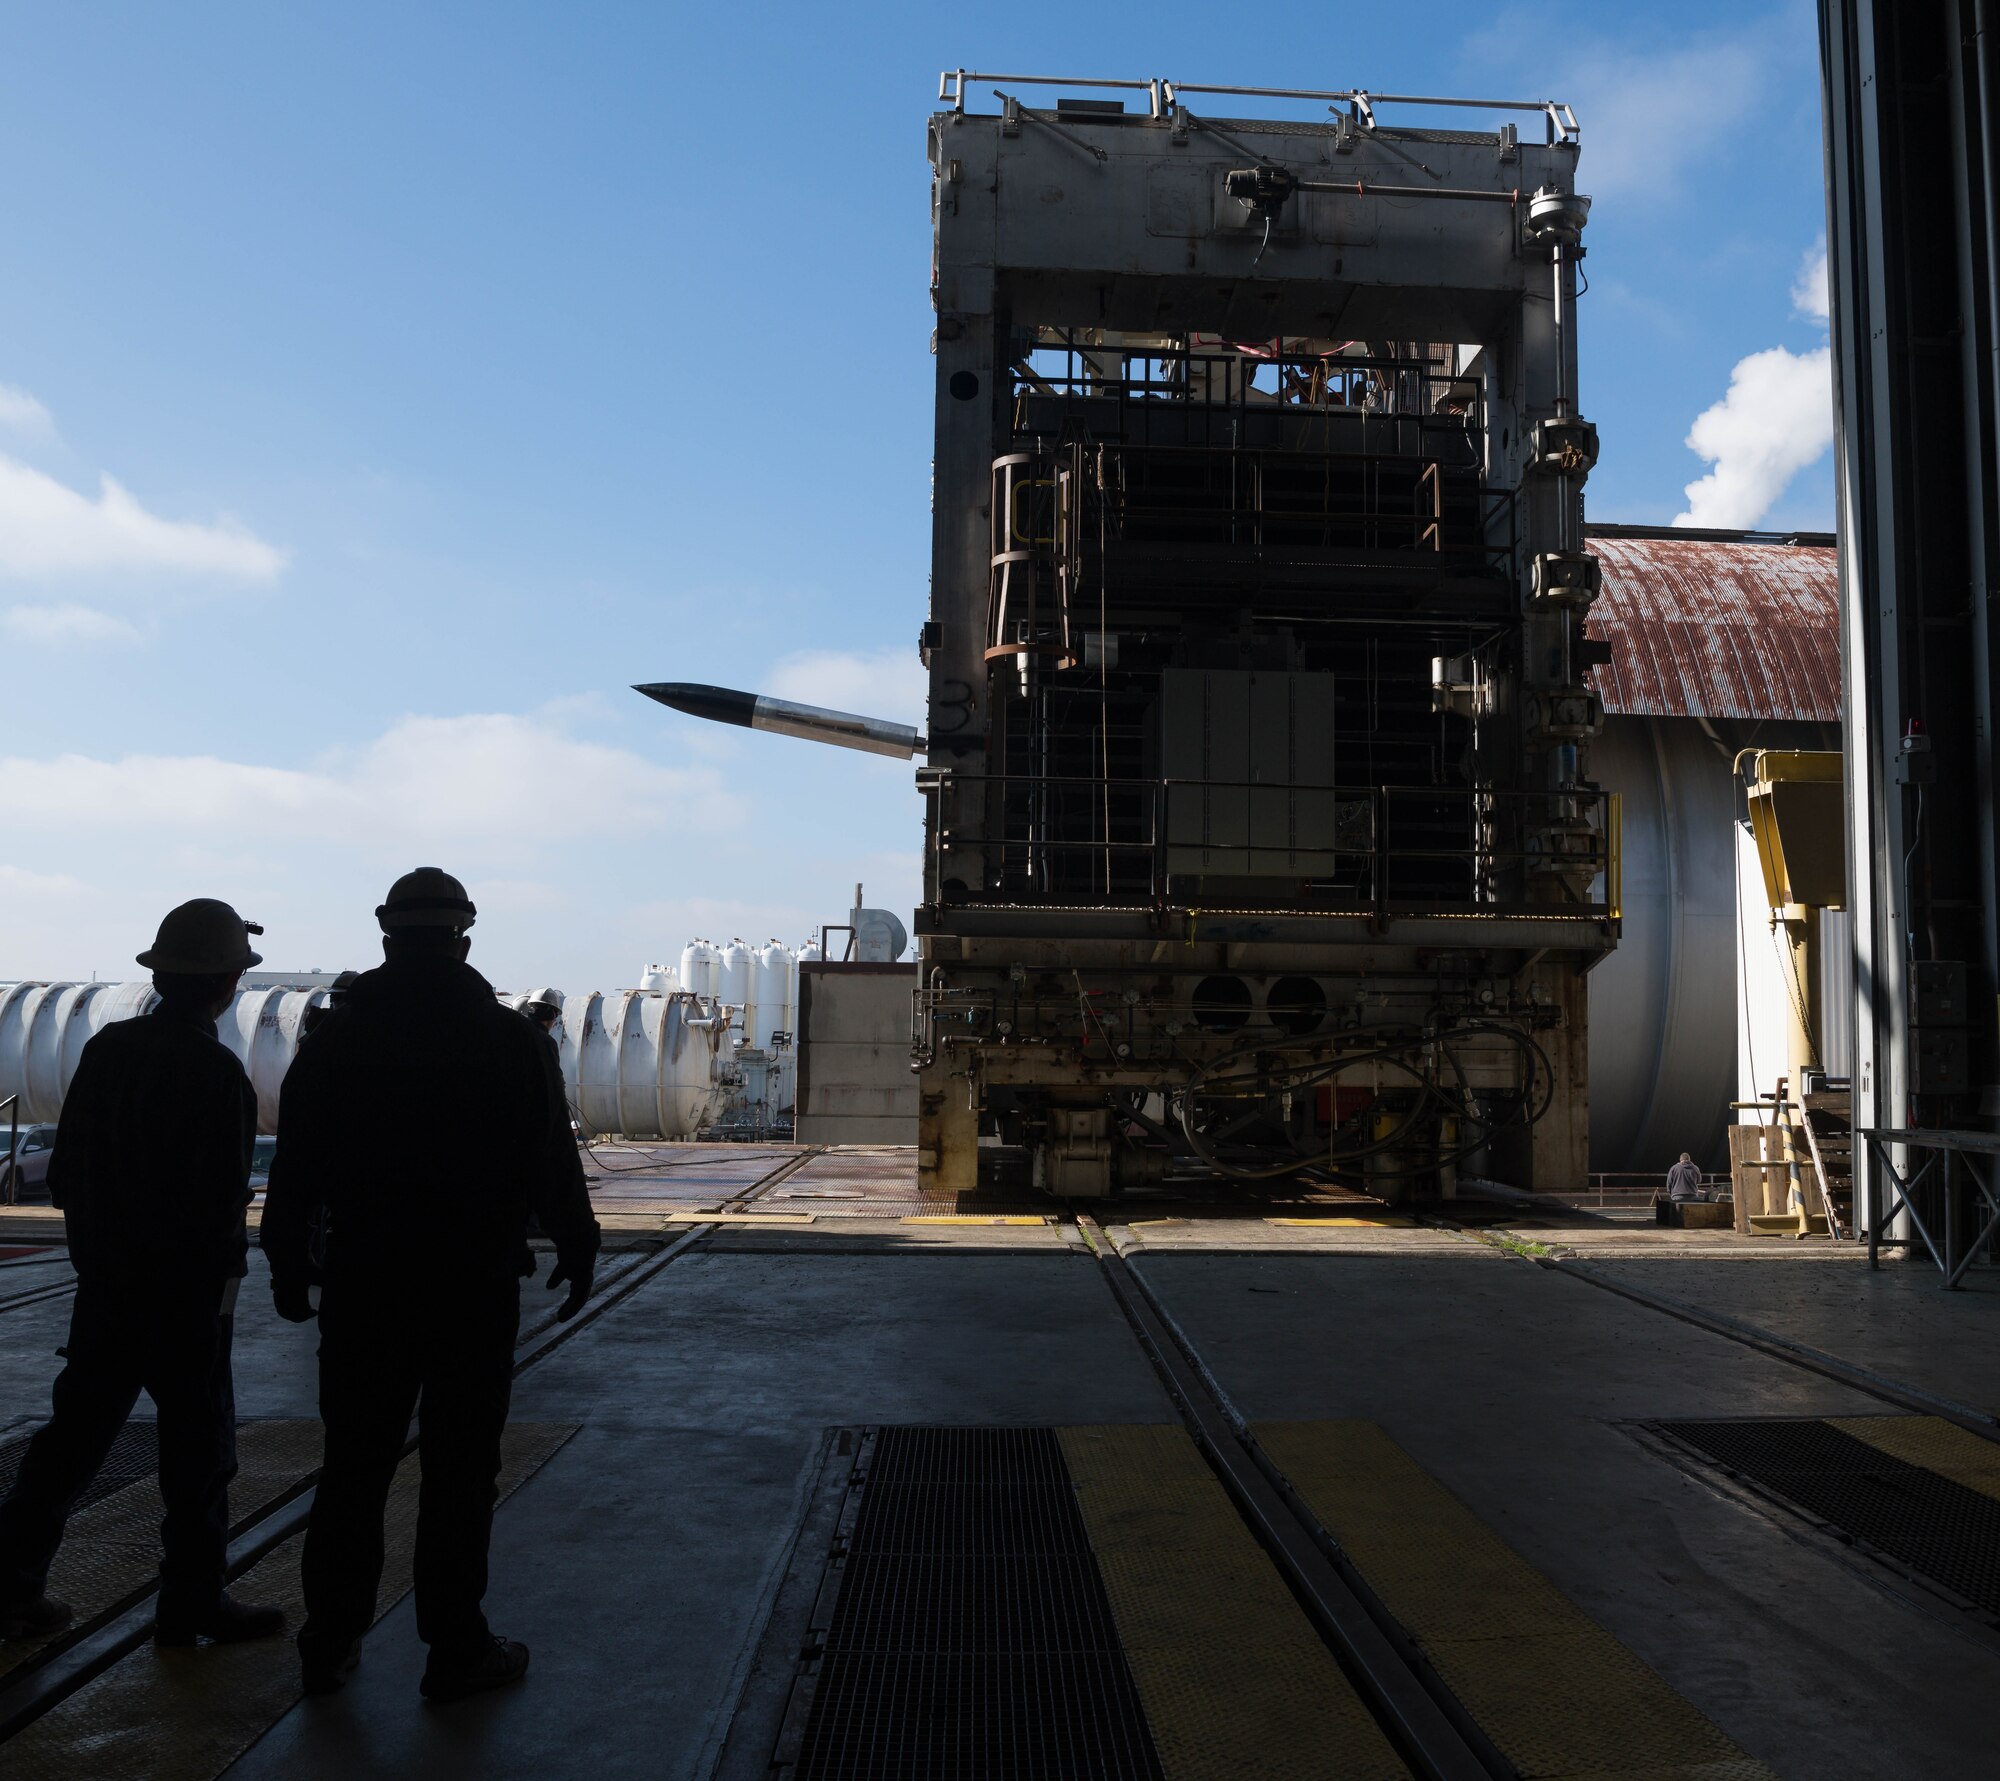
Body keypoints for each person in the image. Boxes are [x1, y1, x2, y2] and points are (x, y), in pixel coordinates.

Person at [262, 868, 600, 1701]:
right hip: (470, 1286)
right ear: (465, 938)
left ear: (386, 935)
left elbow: (295, 1166)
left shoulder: (335, 1043)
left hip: (366, 1283)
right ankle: (455, 1649)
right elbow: (550, 1158)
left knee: (353, 1468)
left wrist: (285, 1260)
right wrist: (578, 1242)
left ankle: (329, 1640)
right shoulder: (509, 1040)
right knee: (458, 1472)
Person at [0, 900, 285, 1646]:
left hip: (108, 1293)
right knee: (199, 1455)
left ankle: (11, 1588)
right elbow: (221, 1205)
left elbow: (69, 1172)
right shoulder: (218, 1074)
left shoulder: (108, 1052)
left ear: (158, 972)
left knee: (68, 1446)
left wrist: (100, 1260)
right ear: (229, 980)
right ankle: (192, 1601)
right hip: (186, 1303)